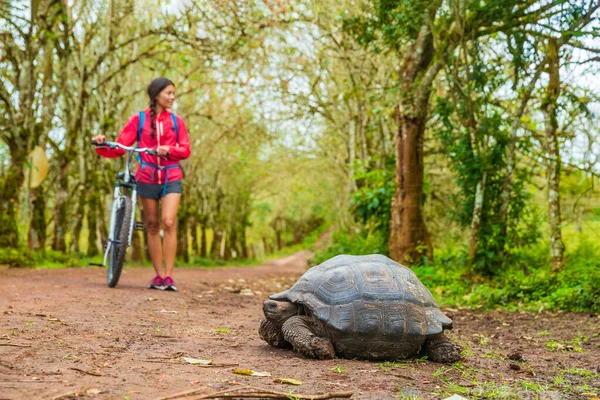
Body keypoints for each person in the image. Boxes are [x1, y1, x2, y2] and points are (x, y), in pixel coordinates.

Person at [92, 77, 191, 291]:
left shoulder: (177, 122)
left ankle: (169, 275)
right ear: (156, 95)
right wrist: (101, 145)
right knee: (153, 225)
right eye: (169, 93)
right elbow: (119, 147)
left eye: (174, 93)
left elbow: (185, 149)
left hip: (171, 176)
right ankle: (158, 276)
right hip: (146, 176)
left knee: (169, 221)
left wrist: (169, 150)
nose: (172, 97)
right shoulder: (139, 120)